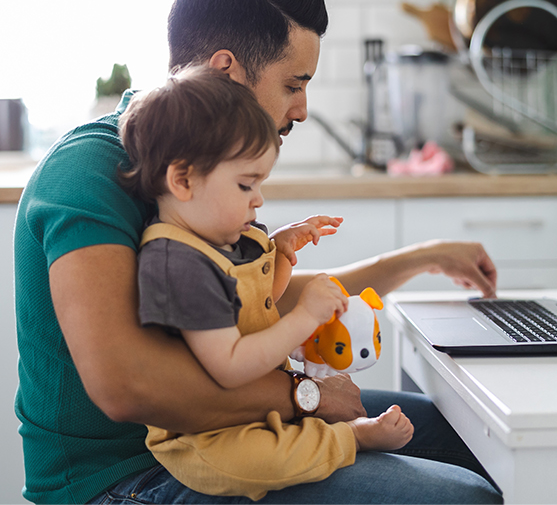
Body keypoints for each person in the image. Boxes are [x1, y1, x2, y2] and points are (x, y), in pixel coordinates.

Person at [14, 0, 501, 505]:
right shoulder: (89, 173)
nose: (302, 109)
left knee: (466, 438)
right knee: (459, 497)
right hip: (123, 478)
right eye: (294, 84)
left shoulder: (207, 163)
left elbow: (259, 300)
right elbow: (127, 386)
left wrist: (421, 259)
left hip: (218, 435)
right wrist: (306, 395)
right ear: (227, 71)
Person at [118, 65, 414, 500]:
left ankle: (337, 431)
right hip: (210, 438)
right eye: (245, 184)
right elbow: (232, 363)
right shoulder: (177, 263)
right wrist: (305, 316)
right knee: (264, 461)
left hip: (249, 409)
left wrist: (280, 258)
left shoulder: (214, 240)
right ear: (183, 180)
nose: (258, 199)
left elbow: (248, 311)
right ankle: (353, 438)